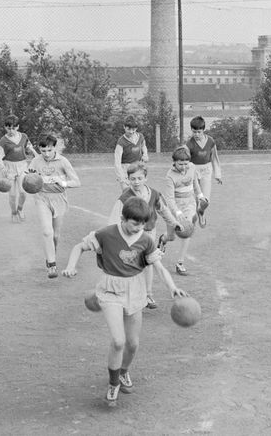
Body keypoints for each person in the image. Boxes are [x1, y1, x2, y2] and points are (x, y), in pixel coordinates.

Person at [62, 197, 188, 407]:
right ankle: (113, 385)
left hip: (135, 289)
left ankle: (123, 371)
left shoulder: (146, 240)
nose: (138, 227)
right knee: (118, 341)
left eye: (142, 224)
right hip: (111, 289)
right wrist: (71, 266)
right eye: (134, 223)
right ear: (123, 218)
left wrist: (172, 287)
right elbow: (79, 247)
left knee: (133, 343)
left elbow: (158, 267)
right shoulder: (106, 233)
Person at [108, 162, 181, 309]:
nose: (136, 182)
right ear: (128, 179)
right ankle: (124, 294)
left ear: (145, 178)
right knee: (130, 264)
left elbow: (163, 210)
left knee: (148, 264)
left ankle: (148, 295)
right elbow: (113, 221)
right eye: (132, 179)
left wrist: (174, 223)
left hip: (149, 234)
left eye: (139, 178)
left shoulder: (154, 194)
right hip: (130, 236)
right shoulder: (124, 198)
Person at [28, 133, 81, 279]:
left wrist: (63, 182)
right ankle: (51, 265)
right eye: (43, 151)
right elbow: (28, 179)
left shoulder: (63, 161)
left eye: (49, 150)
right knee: (47, 232)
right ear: (39, 149)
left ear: (54, 148)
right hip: (42, 198)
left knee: (55, 236)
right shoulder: (35, 161)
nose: (46, 154)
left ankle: (51, 255)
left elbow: (77, 182)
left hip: (59, 199)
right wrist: (28, 182)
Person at [162, 145, 206, 276]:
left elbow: (195, 183)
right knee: (171, 237)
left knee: (187, 229)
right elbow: (169, 199)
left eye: (186, 164)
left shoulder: (192, 167)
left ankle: (180, 263)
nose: (184, 167)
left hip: (189, 204)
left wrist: (200, 196)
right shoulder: (170, 176)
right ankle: (162, 240)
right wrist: (177, 212)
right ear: (174, 162)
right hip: (175, 206)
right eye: (180, 164)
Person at [0, 114, 38, 222]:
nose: (11, 130)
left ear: (18, 127)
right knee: (13, 194)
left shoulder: (24, 136)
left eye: (13, 127)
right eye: (8, 127)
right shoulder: (3, 141)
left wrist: (35, 154)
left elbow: (29, 147)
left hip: (22, 166)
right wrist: (4, 171)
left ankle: (20, 209)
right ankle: (13, 213)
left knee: (23, 192)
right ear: (5, 127)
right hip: (9, 167)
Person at [185, 116, 222, 227]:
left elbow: (214, 158)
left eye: (199, 132)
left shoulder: (210, 141)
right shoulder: (189, 144)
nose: (196, 134)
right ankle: (198, 214)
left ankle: (201, 211)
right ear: (191, 130)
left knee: (205, 200)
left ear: (203, 130)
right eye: (194, 132)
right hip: (193, 171)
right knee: (196, 197)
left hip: (206, 170)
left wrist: (218, 174)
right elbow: (185, 162)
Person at [114, 115, 149, 190]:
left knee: (139, 192)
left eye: (133, 129)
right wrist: (122, 176)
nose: (131, 132)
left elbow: (143, 146)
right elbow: (117, 162)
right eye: (128, 129)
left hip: (138, 167)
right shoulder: (121, 142)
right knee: (127, 193)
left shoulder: (140, 136)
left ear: (136, 128)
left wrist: (145, 154)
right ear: (124, 127)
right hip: (125, 169)